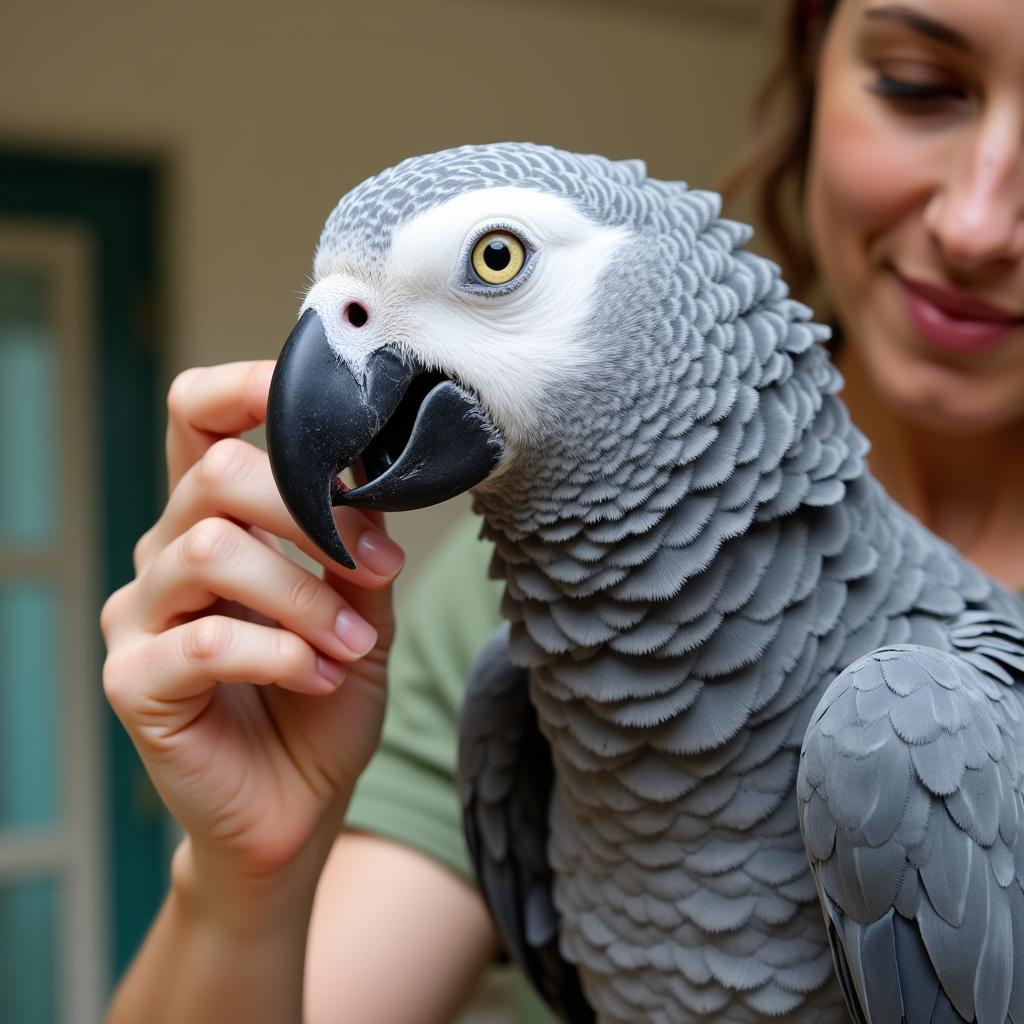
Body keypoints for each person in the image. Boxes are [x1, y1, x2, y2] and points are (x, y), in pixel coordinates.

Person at [100, 0, 1024, 1020]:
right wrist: (247, 876)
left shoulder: (919, 731)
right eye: (916, 84)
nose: (976, 223)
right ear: (810, 87)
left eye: (496, 262)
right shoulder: (514, 679)